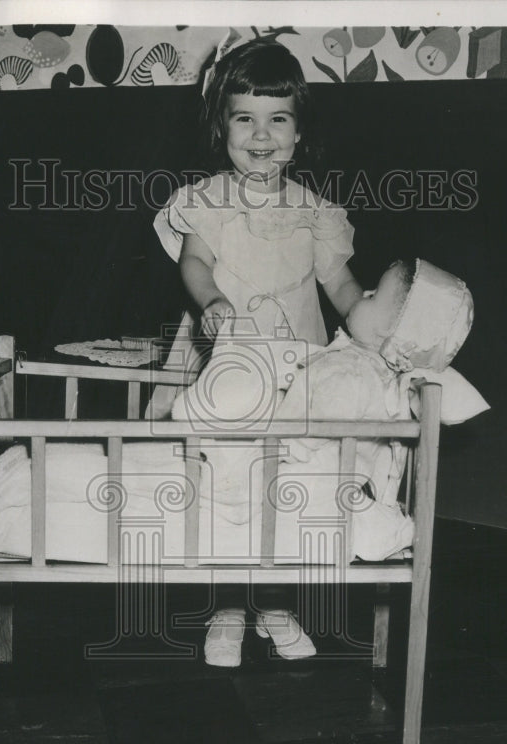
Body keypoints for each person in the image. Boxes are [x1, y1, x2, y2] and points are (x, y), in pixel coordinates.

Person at [151, 38, 364, 667]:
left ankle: (275, 601)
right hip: (227, 368)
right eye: (245, 118)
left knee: (286, 484)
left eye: (278, 119)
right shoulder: (207, 201)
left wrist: (373, 320)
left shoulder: (317, 213)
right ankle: (226, 603)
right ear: (222, 128)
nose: (261, 135)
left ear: (299, 134)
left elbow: (342, 285)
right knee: (226, 485)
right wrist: (211, 300)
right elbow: (194, 262)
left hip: (294, 371)